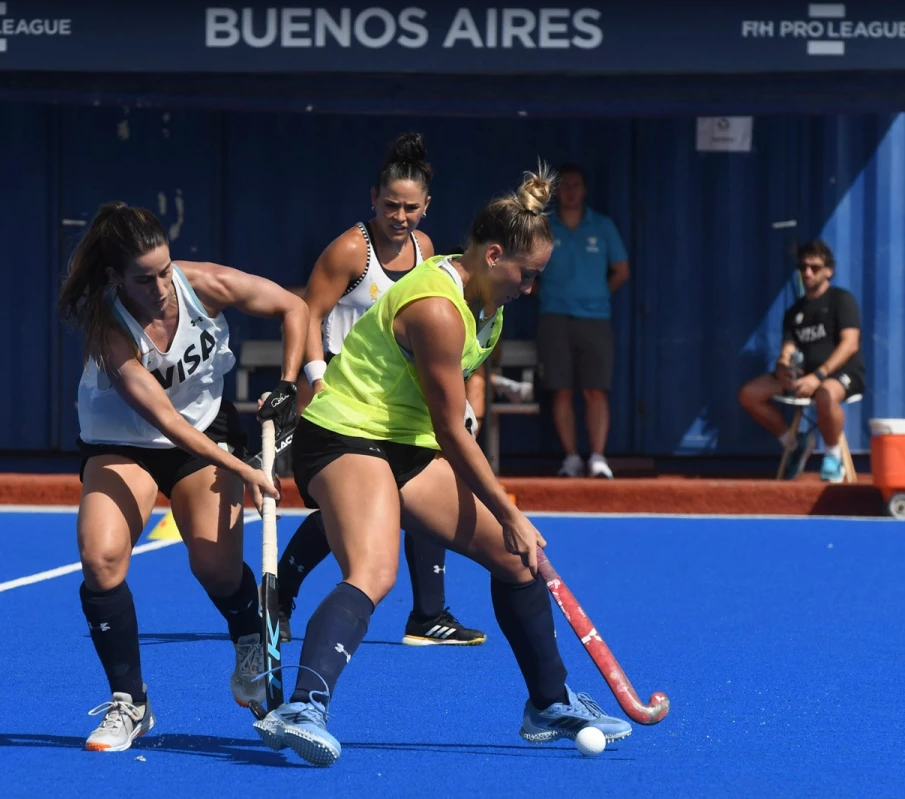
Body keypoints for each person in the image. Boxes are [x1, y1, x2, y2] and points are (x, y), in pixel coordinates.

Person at [252, 167, 632, 767]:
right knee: (375, 570)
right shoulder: (438, 308)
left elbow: (449, 415)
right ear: (493, 253)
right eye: (526, 275)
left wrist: (511, 526)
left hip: (405, 442)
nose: (530, 288)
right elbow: (452, 431)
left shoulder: (489, 300)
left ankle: (549, 705)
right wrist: (510, 510)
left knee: (516, 560)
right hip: (345, 433)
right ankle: (302, 708)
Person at [57, 202, 308, 752]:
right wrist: (246, 470)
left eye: (165, 270)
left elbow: (295, 307)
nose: (162, 287)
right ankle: (131, 702)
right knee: (100, 560)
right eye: (144, 279)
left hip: (206, 427)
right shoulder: (109, 328)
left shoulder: (203, 285)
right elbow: (164, 421)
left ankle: (248, 636)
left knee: (215, 568)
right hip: (124, 443)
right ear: (114, 278)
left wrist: (288, 385)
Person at [277, 132, 487, 648]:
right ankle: (279, 594)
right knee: (345, 512)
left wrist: (457, 398)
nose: (400, 216)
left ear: (427, 207)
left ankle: (428, 613)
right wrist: (313, 375)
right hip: (345, 399)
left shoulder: (429, 251)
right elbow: (309, 312)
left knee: (420, 491)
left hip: (402, 404)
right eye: (390, 205)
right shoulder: (351, 250)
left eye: (411, 208)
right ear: (373, 198)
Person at [738, 239, 866, 482]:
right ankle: (794, 443)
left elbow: (850, 344)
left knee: (824, 395)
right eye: (803, 267)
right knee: (749, 394)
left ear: (829, 271)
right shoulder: (794, 312)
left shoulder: (841, 300)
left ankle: (832, 457)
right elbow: (787, 350)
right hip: (804, 376)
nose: (807, 272)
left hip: (841, 374)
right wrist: (784, 369)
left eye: (815, 268)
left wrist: (818, 376)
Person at [534, 164, 630, 478]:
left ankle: (598, 457)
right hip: (554, 317)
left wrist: (597, 294)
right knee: (560, 390)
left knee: (596, 390)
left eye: (576, 185)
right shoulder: (542, 226)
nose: (571, 191)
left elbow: (621, 271)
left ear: (585, 190)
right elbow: (523, 269)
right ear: (555, 192)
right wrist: (547, 293)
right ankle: (572, 458)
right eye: (564, 186)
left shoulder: (602, 226)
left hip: (595, 318)